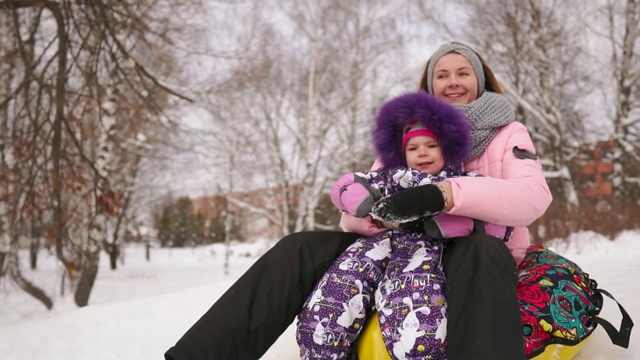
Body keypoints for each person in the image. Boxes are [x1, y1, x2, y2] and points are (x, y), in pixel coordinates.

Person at [164, 42, 552, 360]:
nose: (453, 82)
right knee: (299, 247)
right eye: (442, 74)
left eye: (463, 72)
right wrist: (372, 216)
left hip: (466, 251)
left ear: (480, 80)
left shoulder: (507, 132)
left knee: (481, 251)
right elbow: (359, 203)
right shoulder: (405, 134)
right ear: (429, 85)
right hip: (395, 248)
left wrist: (444, 194)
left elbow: (533, 197)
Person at [296, 91, 510, 360]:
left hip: (420, 258)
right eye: (413, 148)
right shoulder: (388, 178)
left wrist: (452, 224)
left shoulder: (464, 183)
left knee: (416, 316)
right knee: (333, 300)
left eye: (431, 146)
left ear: (447, 148)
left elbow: (497, 220)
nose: (422, 153)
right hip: (372, 251)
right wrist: (358, 199)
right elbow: (345, 185)